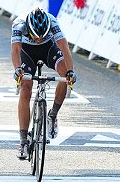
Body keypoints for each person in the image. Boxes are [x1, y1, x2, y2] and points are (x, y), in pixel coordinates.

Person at [12, 8, 76, 160]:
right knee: (26, 88)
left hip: (48, 49)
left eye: (42, 36)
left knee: (64, 74)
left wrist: (70, 71)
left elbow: (64, 47)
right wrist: (17, 70)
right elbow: (15, 50)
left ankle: (52, 115)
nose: (38, 39)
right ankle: (23, 140)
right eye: (36, 36)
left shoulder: (52, 22)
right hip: (26, 52)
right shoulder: (19, 24)